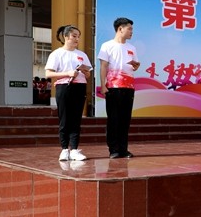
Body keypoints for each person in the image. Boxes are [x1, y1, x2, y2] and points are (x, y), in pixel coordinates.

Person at [45, 24, 92, 161]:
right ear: (66, 37)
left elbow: (88, 75)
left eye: (78, 36)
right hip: (64, 87)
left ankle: (75, 149)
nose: (77, 39)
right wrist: (68, 73)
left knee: (76, 119)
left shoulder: (82, 55)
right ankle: (64, 149)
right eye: (74, 36)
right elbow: (48, 73)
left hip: (80, 87)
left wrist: (85, 72)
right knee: (64, 118)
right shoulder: (57, 53)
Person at [98, 17, 139, 159]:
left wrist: (136, 65)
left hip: (128, 87)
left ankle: (124, 149)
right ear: (120, 29)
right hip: (113, 87)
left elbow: (135, 65)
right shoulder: (107, 46)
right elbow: (103, 66)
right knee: (113, 119)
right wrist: (103, 85)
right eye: (129, 29)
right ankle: (113, 150)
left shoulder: (131, 48)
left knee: (125, 119)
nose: (131, 32)